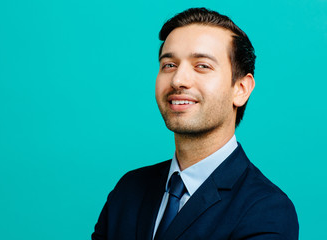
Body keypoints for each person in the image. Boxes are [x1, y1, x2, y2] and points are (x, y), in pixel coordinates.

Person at [92, 7, 299, 240]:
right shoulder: (129, 190)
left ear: (240, 89)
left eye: (202, 66)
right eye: (169, 65)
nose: (178, 80)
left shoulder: (266, 210)